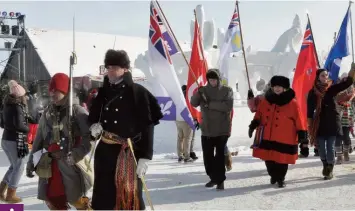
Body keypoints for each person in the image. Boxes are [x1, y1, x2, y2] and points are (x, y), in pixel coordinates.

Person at [88, 49, 163, 210]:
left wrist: (145, 157)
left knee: (128, 196)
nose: (110, 71)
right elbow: (93, 118)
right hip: (105, 152)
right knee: (104, 196)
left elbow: (147, 127)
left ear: (125, 69)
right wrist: (94, 128)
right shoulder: (102, 93)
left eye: (114, 67)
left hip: (129, 152)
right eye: (108, 67)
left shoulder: (138, 93)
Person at [26, 73, 93, 210]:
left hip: (70, 164)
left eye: (55, 91)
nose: (52, 95)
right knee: (53, 201)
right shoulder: (47, 113)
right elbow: (38, 140)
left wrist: (76, 154)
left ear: (64, 90)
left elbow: (89, 137)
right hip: (50, 164)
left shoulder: (77, 111)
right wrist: (31, 162)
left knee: (78, 201)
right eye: (51, 91)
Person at [249, 76, 307, 188]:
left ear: (285, 88)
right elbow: (259, 115)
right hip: (267, 136)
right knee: (268, 158)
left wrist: (302, 137)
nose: (277, 88)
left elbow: (299, 120)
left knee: (282, 159)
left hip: (285, 137)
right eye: (275, 86)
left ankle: (281, 179)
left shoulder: (292, 103)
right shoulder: (266, 100)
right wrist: (253, 125)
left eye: (280, 86)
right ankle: (273, 175)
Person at [307, 66, 355, 180]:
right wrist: (309, 124)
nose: (325, 77)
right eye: (322, 75)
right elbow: (309, 110)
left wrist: (352, 70)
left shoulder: (331, 89)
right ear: (318, 78)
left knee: (330, 147)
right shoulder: (312, 93)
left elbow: (346, 83)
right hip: (319, 124)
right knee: (321, 150)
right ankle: (325, 165)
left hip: (333, 122)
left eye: (326, 75)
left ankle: (329, 170)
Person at [190, 68, 233, 190]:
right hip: (207, 129)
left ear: (219, 79)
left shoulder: (227, 90)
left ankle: (220, 181)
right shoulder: (203, 90)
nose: (213, 82)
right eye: (210, 79)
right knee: (208, 157)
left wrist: (210, 104)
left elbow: (227, 106)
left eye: (215, 79)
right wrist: (197, 94)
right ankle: (213, 177)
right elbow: (193, 103)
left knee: (219, 156)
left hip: (222, 129)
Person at [0, 80, 31, 203]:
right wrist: (27, 128)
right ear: (20, 96)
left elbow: (2, 123)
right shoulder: (18, 107)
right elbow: (19, 125)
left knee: (14, 166)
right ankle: (11, 194)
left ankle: (1, 190)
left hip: (6, 139)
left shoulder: (6, 106)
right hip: (14, 140)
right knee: (19, 166)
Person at [335, 75, 355, 164]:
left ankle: (346, 152)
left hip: (347, 118)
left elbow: (351, 104)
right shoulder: (337, 90)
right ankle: (339, 156)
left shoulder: (352, 92)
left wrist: (352, 119)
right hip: (338, 118)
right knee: (338, 138)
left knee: (346, 137)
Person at [177, 85, 198, 162]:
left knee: (180, 138)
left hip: (178, 119)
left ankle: (180, 155)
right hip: (187, 119)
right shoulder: (189, 97)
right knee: (188, 138)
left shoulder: (178, 97)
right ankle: (187, 156)